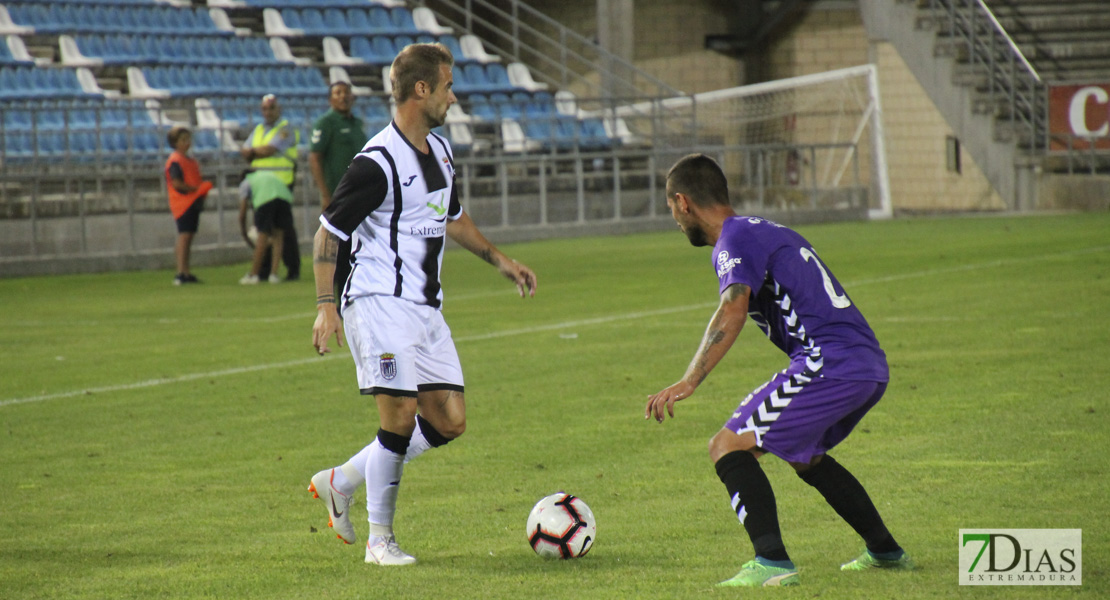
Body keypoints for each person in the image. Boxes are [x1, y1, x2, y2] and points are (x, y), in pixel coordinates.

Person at [308, 42, 537, 566]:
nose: (453, 97)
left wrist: (500, 260)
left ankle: (343, 480)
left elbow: (451, 216)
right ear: (421, 89)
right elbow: (327, 235)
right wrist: (327, 306)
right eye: (448, 86)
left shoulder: (442, 151)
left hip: (426, 307)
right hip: (377, 301)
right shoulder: (377, 162)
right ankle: (378, 541)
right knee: (399, 417)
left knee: (449, 420)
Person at [645, 154, 912, 587]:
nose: (673, 218)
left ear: (683, 202)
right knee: (806, 455)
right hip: (865, 364)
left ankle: (771, 561)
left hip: (830, 363)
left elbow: (732, 309)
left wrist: (689, 380)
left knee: (727, 446)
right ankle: (885, 551)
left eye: (671, 207)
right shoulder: (762, 229)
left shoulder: (733, 239)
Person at [308, 81, 366, 297]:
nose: (343, 96)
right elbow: (314, 157)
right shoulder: (326, 123)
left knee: (357, 249)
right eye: (337, 93)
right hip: (339, 198)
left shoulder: (357, 124)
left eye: (346, 92)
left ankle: (356, 294)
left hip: (359, 199)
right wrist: (325, 193)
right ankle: (341, 298)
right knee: (340, 250)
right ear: (330, 99)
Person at [242, 93, 301, 281]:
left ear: (279, 109)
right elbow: (245, 151)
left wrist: (254, 152)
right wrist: (254, 152)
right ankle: (266, 270)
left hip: (281, 182)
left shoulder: (286, 129)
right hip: (261, 185)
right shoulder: (259, 129)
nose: (268, 112)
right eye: (265, 109)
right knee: (264, 229)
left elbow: (270, 149)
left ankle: (291, 268)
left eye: (271, 108)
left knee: (282, 228)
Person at [164, 125, 212, 286]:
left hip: (192, 201)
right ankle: (180, 272)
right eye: (183, 140)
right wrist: (196, 189)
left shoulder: (190, 160)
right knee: (184, 236)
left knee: (189, 236)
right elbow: (177, 183)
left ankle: (186, 271)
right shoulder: (175, 161)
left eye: (188, 139)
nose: (187, 142)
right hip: (183, 202)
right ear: (175, 143)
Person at [238, 169, 294, 285]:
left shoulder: (246, 182)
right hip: (284, 198)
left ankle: (253, 275)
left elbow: (243, 211)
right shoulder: (267, 175)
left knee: (262, 237)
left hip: (265, 200)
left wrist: (243, 231)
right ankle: (273, 275)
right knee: (278, 237)